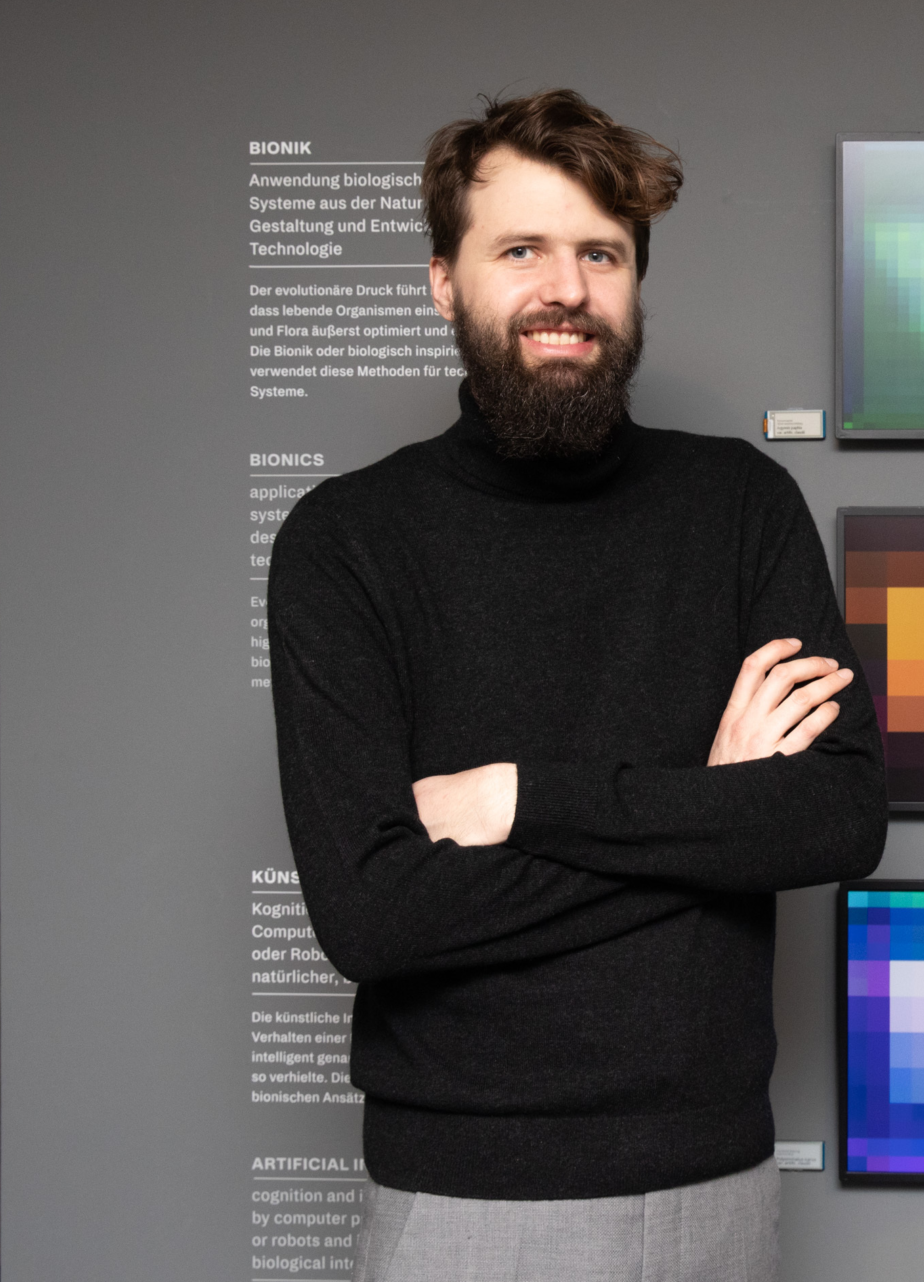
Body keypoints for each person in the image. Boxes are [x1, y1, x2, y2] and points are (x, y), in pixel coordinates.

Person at [268, 89, 887, 1282]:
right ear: (444, 281)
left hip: (718, 1187)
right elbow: (373, 914)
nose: (566, 288)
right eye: (521, 251)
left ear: (635, 280)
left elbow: (838, 817)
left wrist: (518, 797)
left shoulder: (741, 507)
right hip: (462, 1200)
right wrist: (709, 807)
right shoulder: (344, 540)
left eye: (600, 253)